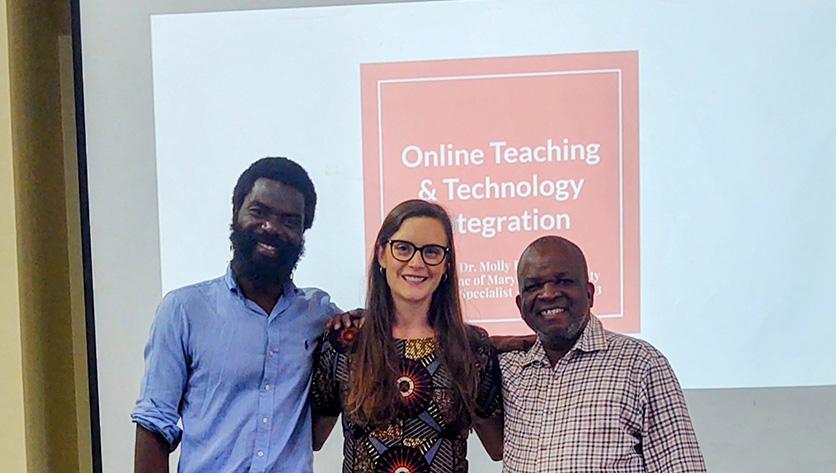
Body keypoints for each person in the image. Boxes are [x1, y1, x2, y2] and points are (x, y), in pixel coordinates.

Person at [132, 157, 341, 473]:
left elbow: (316, 436)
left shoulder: (320, 318)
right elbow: (154, 425)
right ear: (236, 212)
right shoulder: (184, 310)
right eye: (258, 212)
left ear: (303, 232)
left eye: (289, 221)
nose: (271, 228)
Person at [310, 199, 503, 472]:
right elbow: (311, 438)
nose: (416, 262)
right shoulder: (345, 340)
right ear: (381, 254)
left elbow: (499, 447)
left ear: (447, 263)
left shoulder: (473, 347)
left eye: (432, 252)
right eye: (403, 248)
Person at [500, 235, 706, 472]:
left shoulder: (641, 363)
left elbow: (681, 467)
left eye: (563, 281)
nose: (548, 294)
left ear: (589, 293)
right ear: (520, 305)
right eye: (534, 286)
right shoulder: (509, 369)